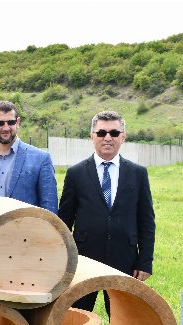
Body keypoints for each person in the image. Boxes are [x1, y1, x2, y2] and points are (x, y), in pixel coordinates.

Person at [58, 110, 155, 313]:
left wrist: (145, 261)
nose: (108, 138)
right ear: (92, 136)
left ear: (123, 136)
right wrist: (62, 260)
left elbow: (146, 220)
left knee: (125, 319)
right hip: (85, 261)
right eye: (101, 133)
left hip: (125, 260)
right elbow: (64, 220)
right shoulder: (76, 173)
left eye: (114, 133)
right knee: (77, 318)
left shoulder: (138, 173)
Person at [0, 100, 58, 212]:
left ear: (18, 122)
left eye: (11, 122)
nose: (6, 128)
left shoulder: (41, 159)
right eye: (0, 123)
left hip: (27, 229)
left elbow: (50, 210)